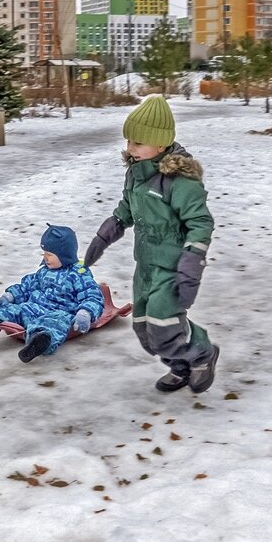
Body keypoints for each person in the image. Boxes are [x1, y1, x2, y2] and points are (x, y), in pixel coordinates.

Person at [84, 96, 218, 394]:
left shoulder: (179, 181)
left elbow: (201, 223)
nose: (130, 148)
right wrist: (105, 235)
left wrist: (192, 260)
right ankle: (181, 367)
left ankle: (203, 352)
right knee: (144, 329)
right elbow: (126, 209)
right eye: (129, 141)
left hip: (172, 267)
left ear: (160, 145)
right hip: (145, 264)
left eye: (138, 143)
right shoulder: (135, 172)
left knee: (164, 324)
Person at [0, 225, 105, 364]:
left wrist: (85, 313)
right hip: (34, 307)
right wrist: (9, 296)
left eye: (50, 254)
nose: (45, 258)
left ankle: (39, 343)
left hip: (61, 312)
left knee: (52, 324)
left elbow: (93, 296)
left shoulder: (78, 275)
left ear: (64, 254)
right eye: (44, 253)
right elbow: (27, 287)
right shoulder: (44, 272)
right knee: (15, 310)